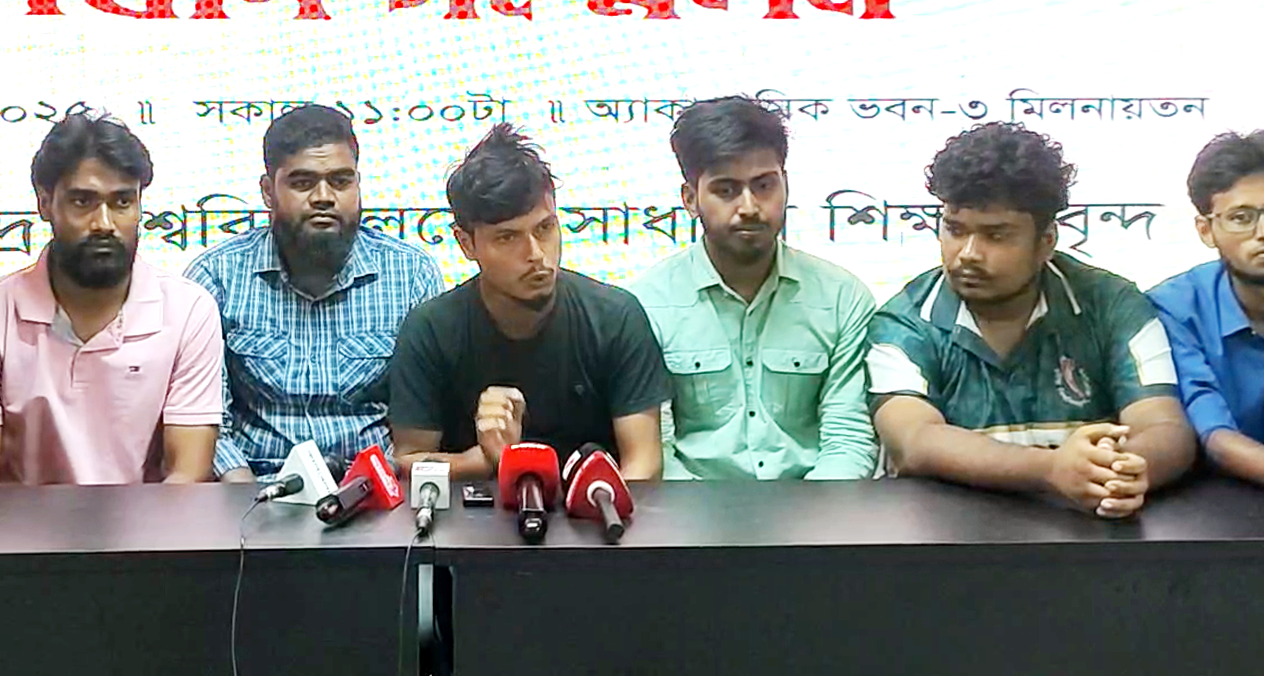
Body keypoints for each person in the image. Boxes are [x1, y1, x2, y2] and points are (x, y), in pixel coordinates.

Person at [868, 123, 1195, 517]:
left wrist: (1122, 471)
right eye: (954, 229)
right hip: (944, 540)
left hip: (1088, 541)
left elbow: (1165, 428)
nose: (967, 253)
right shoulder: (905, 320)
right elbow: (914, 441)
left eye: (996, 236)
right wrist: (1052, 469)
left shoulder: (1113, 304)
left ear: (1047, 242)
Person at [391, 125, 666, 480]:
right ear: (466, 244)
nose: (536, 254)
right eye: (508, 237)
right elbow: (408, 464)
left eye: (545, 228)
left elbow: (644, 466)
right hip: (470, 513)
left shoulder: (616, 317)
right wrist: (491, 461)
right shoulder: (431, 329)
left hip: (595, 510)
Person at [187, 105, 443, 481]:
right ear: (268, 191)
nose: (324, 197)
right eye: (303, 182)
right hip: (256, 487)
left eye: (340, 181)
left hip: (375, 488)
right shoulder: (217, 277)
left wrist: (378, 482)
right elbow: (207, 423)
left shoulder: (411, 275)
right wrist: (241, 496)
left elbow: (418, 424)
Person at [629, 96, 877, 480]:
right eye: (726, 190)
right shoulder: (645, 305)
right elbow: (655, 451)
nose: (749, 207)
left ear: (785, 184)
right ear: (690, 199)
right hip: (689, 510)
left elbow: (848, 439)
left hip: (815, 507)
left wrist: (815, 515)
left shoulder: (842, 299)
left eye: (763, 185)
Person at [0, 113, 222, 484]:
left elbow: (187, 475)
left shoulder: (188, 310)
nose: (104, 223)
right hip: (17, 522)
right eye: (82, 201)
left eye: (122, 202)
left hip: (150, 521)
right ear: (44, 203)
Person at [1148, 131, 1264, 499]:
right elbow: (1215, 434)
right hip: (1213, 508)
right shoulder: (1175, 310)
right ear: (1206, 230)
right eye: (1242, 218)